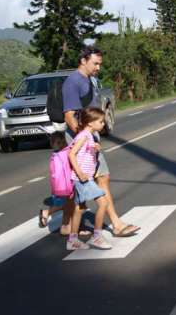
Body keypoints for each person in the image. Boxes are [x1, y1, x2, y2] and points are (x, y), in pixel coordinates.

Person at [62, 46, 139, 237]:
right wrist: (85, 139)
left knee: (81, 183)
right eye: (95, 63)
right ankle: (117, 225)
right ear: (83, 61)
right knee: (99, 179)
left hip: (90, 137)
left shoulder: (91, 80)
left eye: (99, 64)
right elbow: (70, 116)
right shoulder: (73, 82)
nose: (98, 67)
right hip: (81, 140)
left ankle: (66, 225)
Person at [67, 107, 111, 250]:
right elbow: (72, 154)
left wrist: (95, 148)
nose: (103, 124)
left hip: (85, 178)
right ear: (90, 123)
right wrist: (79, 173)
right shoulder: (84, 136)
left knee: (79, 209)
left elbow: (85, 153)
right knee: (103, 203)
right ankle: (97, 236)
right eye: (101, 121)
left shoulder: (89, 136)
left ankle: (72, 240)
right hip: (82, 179)